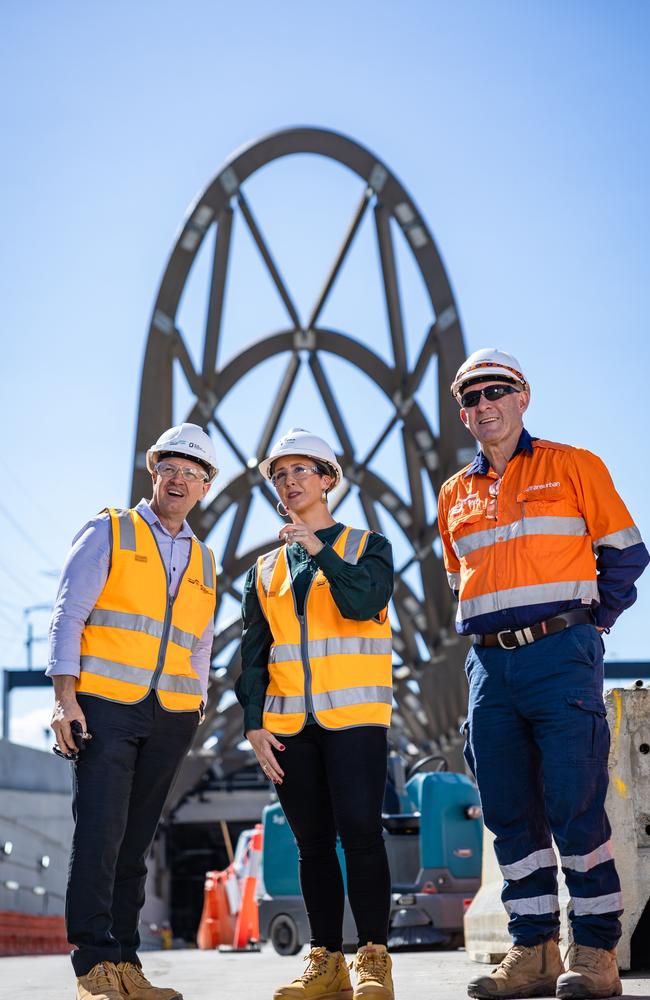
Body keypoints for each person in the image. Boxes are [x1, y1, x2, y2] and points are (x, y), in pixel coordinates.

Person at [437, 349, 649, 1000]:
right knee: (508, 812)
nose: (484, 405)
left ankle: (595, 953)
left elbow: (626, 556)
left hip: (560, 655)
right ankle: (533, 951)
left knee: (574, 804)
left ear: (522, 397)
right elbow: (459, 581)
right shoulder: (453, 494)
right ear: (464, 413)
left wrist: (588, 626)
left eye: (495, 391)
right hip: (490, 667)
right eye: (471, 398)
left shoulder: (574, 466)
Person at [48, 423, 218, 1000]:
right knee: (100, 833)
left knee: (136, 842)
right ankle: (93, 966)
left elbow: (201, 644)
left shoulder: (204, 559)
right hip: (104, 707)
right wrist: (64, 699)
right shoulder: (111, 531)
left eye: (192, 474)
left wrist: (195, 703)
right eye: (170, 468)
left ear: (205, 487)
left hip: (168, 714)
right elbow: (69, 614)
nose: (179, 480)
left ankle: (125, 961)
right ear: (154, 472)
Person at [235, 428, 396, 1000]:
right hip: (287, 727)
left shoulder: (367, 547)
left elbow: (362, 601)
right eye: (280, 476)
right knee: (311, 845)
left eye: (300, 470)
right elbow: (252, 653)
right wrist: (254, 724)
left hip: (354, 719)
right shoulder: (264, 571)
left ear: (328, 479)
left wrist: (319, 548)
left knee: (360, 833)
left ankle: (373, 959)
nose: (288, 482)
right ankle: (325, 962)